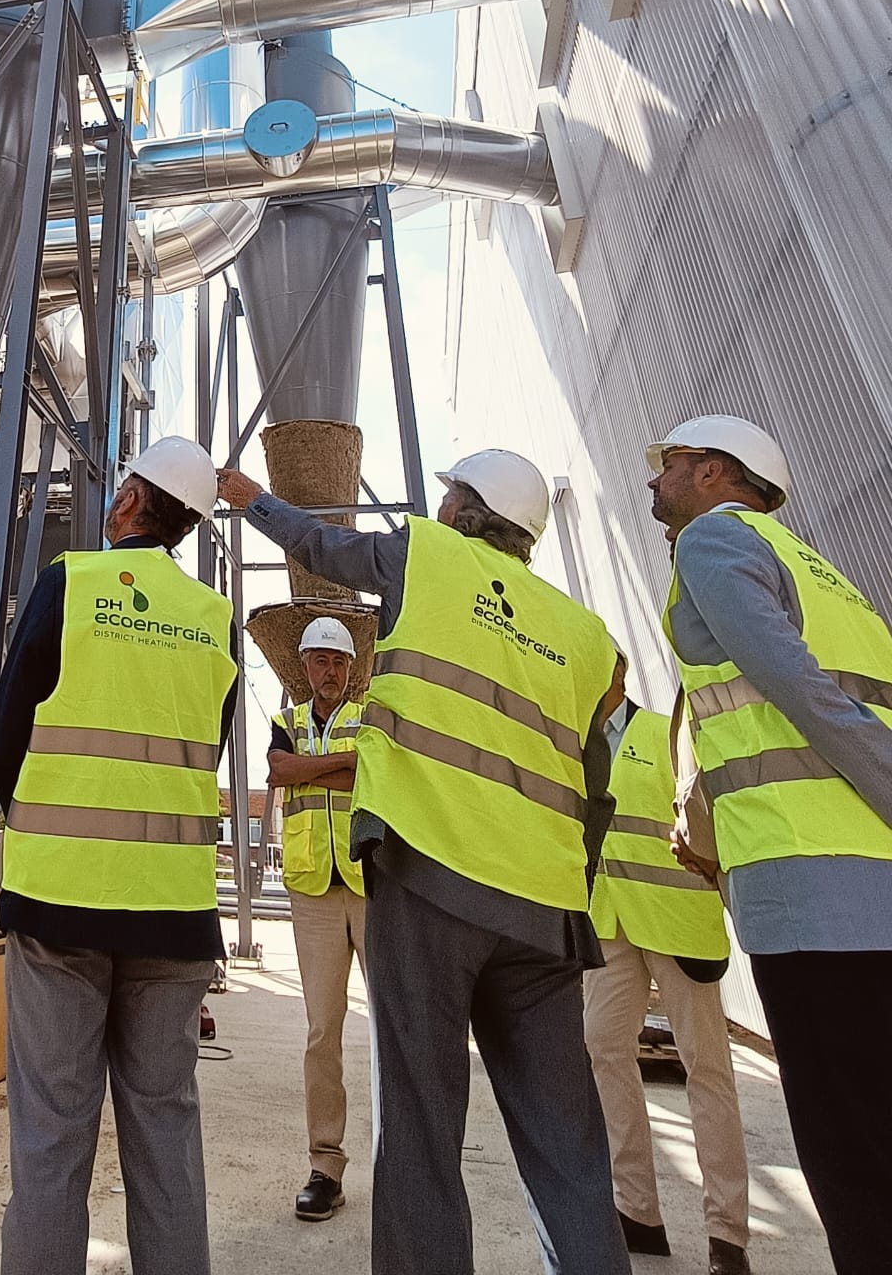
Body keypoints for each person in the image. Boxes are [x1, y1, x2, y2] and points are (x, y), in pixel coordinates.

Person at [219, 450, 629, 1275]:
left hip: (433, 881)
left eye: (450, 496)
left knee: (419, 1124)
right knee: (569, 1145)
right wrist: (567, 895)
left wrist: (250, 500)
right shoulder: (586, 638)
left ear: (465, 511)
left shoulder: (428, 559)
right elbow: (598, 790)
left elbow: (322, 545)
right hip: (544, 915)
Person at [648, 415, 892, 1275]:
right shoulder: (829, 575)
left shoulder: (713, 543)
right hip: (869, 889)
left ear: (714, 472)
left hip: (810, 892)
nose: (654, 481)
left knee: (851, 1149)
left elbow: (799, 690)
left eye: (668, 464)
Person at [0, 435, 239, 1275]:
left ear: (131, 501)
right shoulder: (215, 621)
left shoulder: (75, 582)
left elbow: (7, 732)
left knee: (53, 1131)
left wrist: (35, 827)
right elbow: (207, 749)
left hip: (61, 900)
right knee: (166, 1125)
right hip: (172, 911)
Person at [584, 689, 750, 1272]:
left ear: (615, 679)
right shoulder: (575, 745)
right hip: (614, 925)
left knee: (707, 1071)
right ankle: (637, 1210)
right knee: (604, 1048)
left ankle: (727, 1235)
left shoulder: (663, 732)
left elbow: (705, 818)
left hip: (678, 924)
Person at [268, 614, 367, 1221]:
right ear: (303, 667)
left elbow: (374, 766)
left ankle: (409, 1160)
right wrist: (343, 763)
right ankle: (325, 1166)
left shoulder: (371, 717)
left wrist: (326, 765)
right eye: (320, 662)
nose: (329, 672)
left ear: (351, 671)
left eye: (339, 663)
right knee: (321, 1034)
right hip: (313, 889)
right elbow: (281, 773)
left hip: (371, 882)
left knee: (397, 1030)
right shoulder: (285, 723)